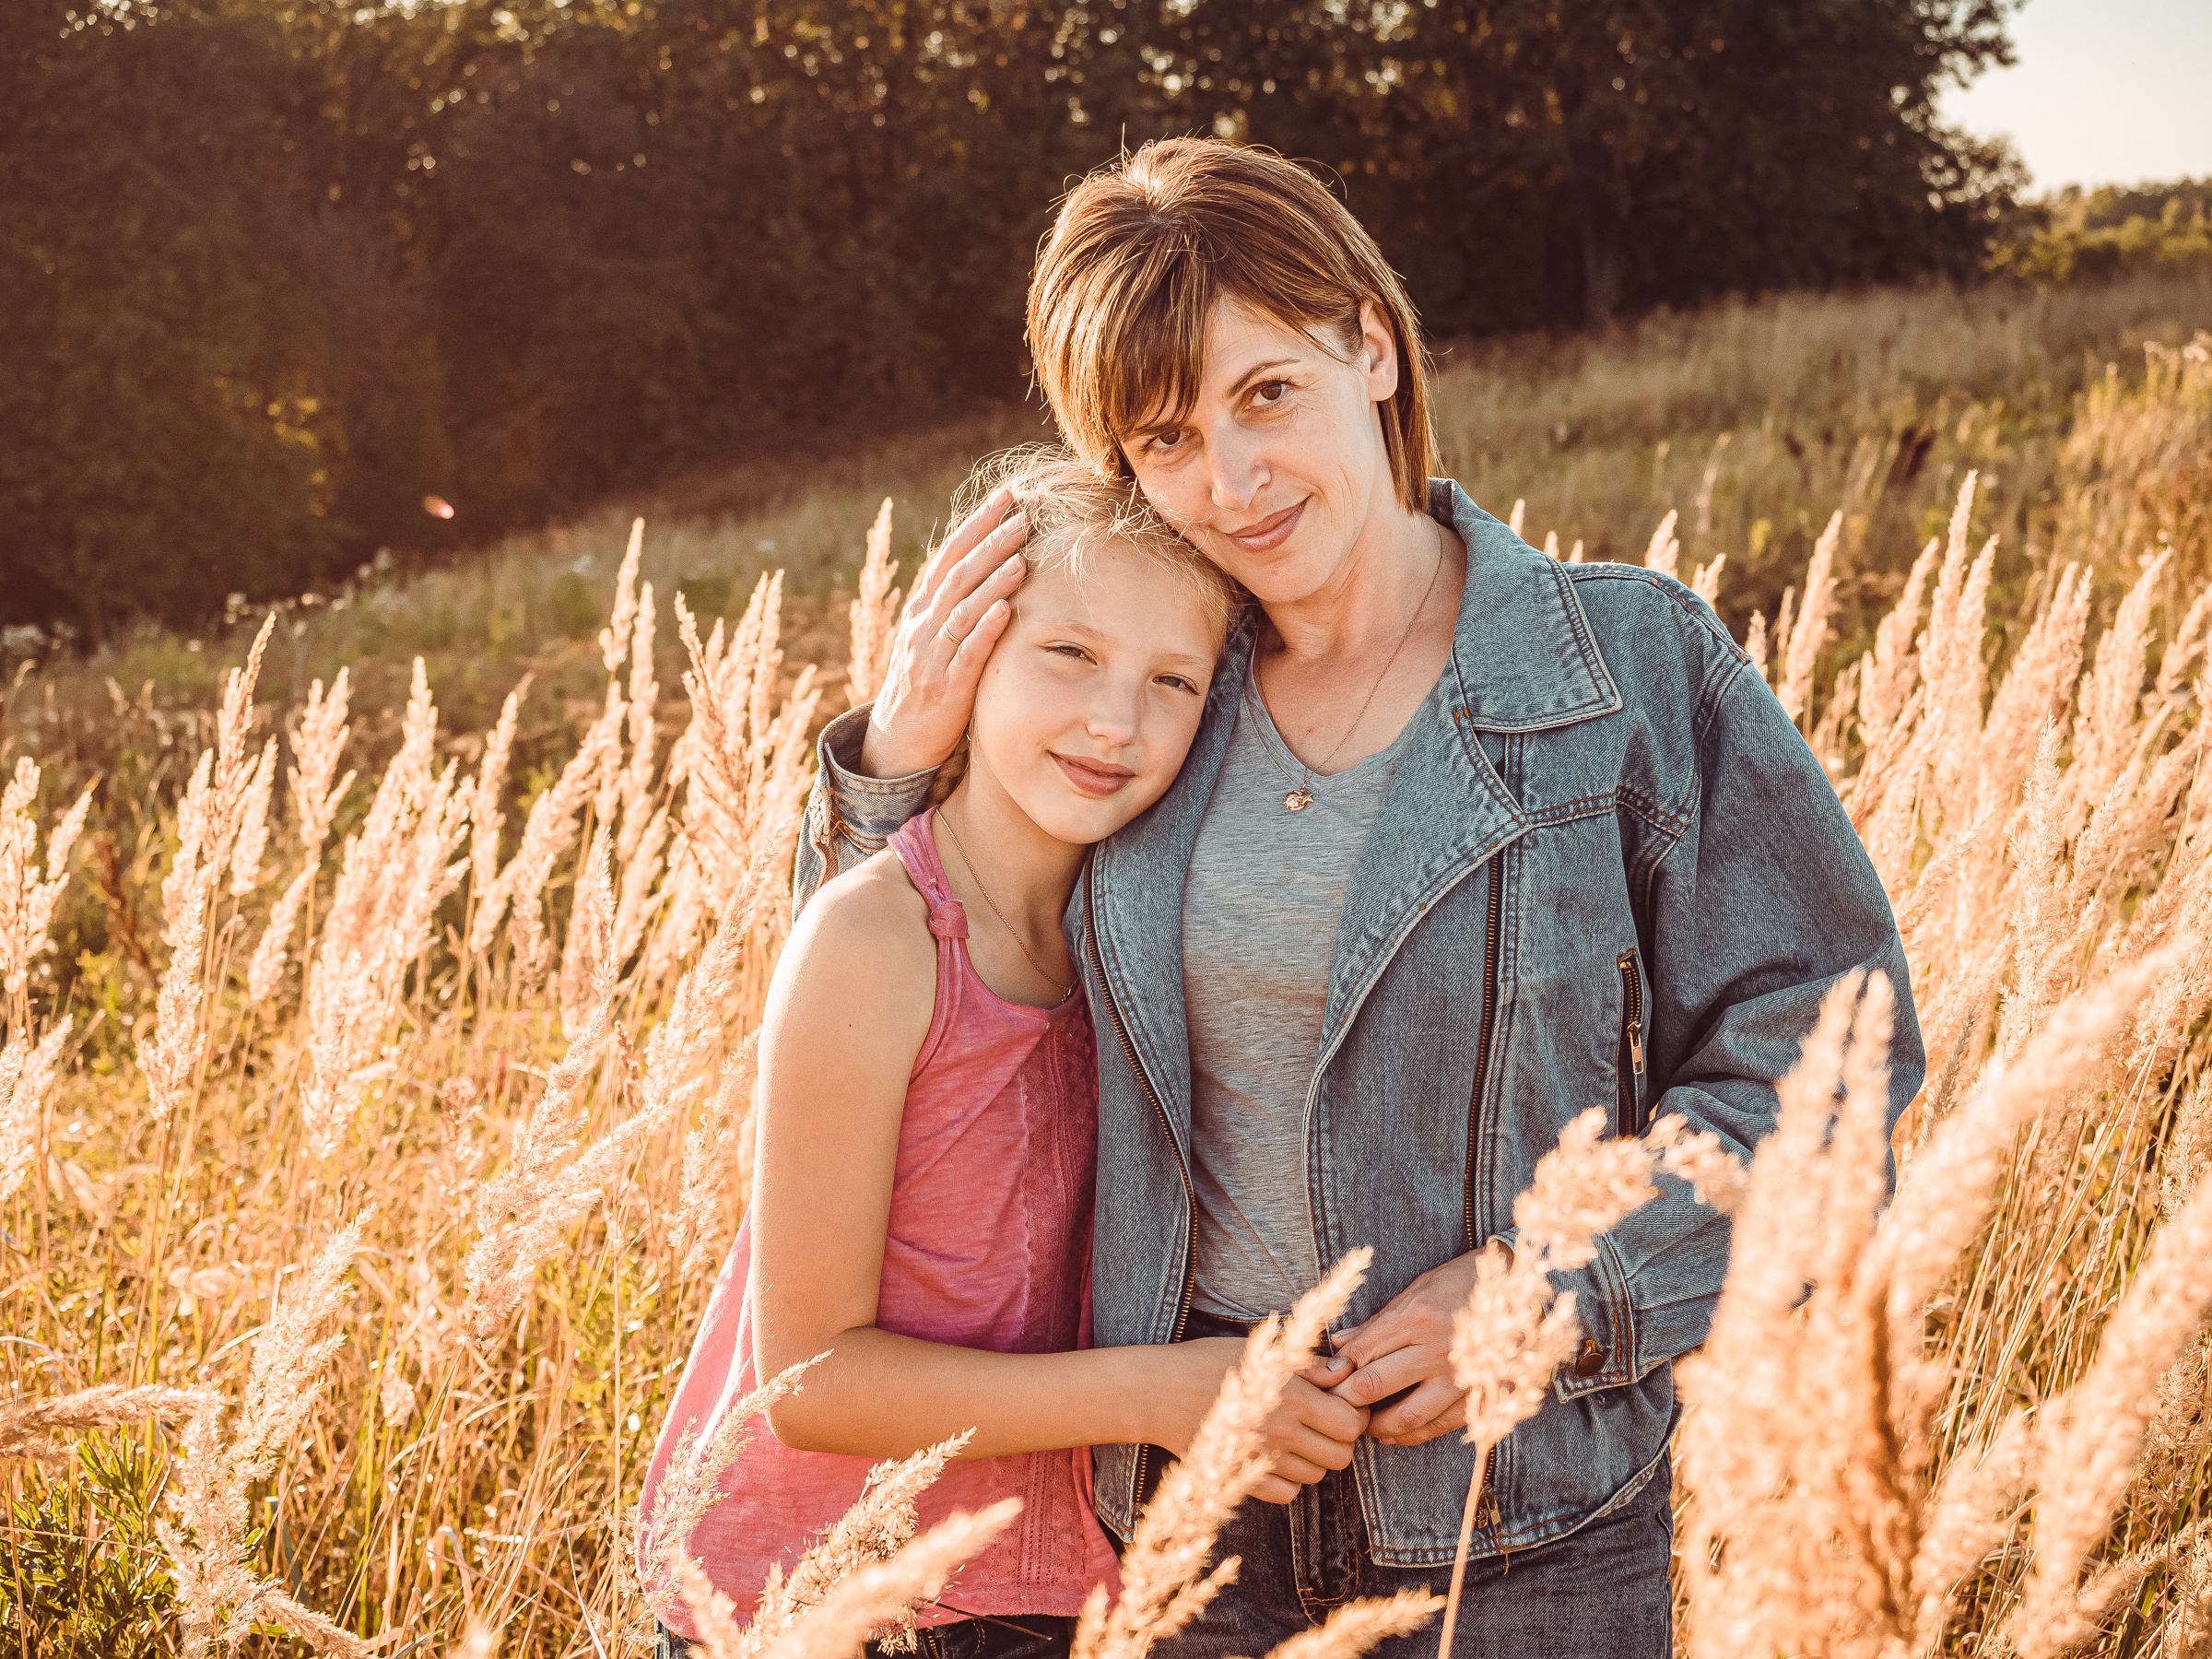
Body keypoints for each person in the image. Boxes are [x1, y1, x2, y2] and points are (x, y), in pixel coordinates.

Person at [795, 138, 1924, 1659]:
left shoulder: (1623, 670)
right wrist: (885, 767)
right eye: (1165, 440)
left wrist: (1559, 1293)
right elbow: (921, 1028)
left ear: (1371, 347)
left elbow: (1832, 1070)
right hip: (1182, 1518)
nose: (1234, 481)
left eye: (1267, 394)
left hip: (1520, 1528)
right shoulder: (1144, 712)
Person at [640, 449, 1373, 1659]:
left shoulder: (1143, 949)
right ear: (970, 652)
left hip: (1048, 1601)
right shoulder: (877, 940)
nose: (1114, 720)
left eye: (1173, 681)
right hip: (816, 1596)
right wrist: (1166, 1390)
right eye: (1069, 655)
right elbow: (809, 1381)